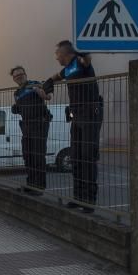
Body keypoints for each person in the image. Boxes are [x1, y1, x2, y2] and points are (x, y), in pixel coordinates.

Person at [44, 41, 102, 212]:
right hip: (76, 115)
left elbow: (87, 59)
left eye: (58, 55)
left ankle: (89, 201)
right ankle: (78, 197)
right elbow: (56, 76)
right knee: (76, 157)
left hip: (91, 113)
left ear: (65, 53)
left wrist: (82, 47)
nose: (56, 58)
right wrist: (49, 82)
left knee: (87, 157)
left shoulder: (81, 63)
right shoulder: (67, 69)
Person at [10, 66, 51, 195]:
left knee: (38, 156)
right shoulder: (17, 93)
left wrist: (39, 91)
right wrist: (15, 108)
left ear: (25, 74)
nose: (19, 77)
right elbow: (18, 108)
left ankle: (39, 188)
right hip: (26, 126)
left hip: (39, 124)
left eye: (21, 74)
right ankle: (31, 184)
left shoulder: (35, 84)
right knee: (28, 155)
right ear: (14, 79)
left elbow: (48, 97)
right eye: (16, 76)